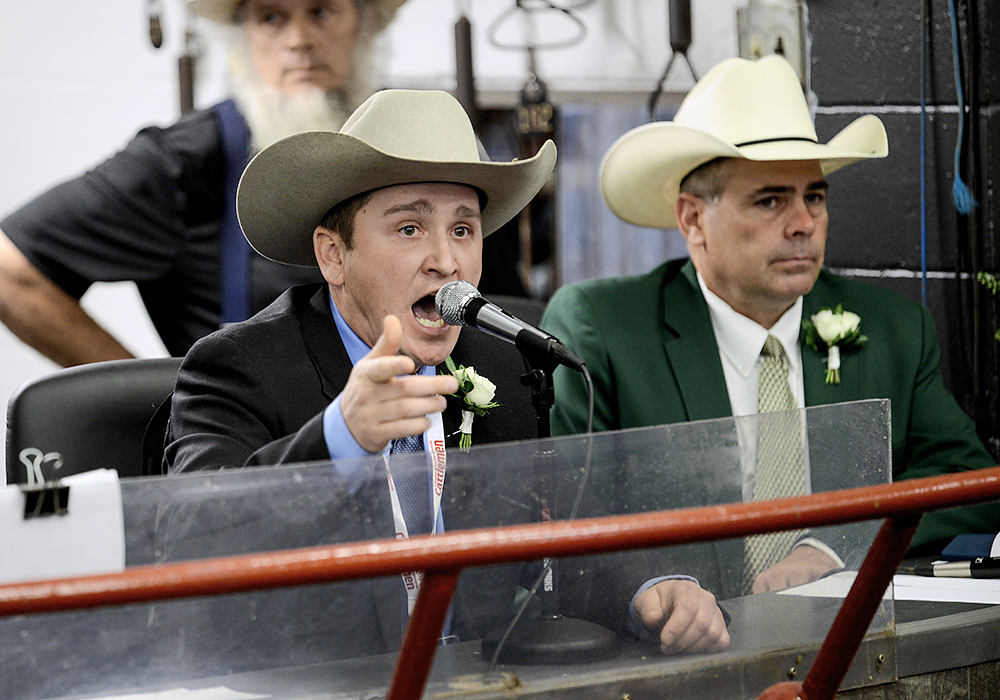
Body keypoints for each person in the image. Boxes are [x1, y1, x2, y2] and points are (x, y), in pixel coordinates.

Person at [157, 88, 730, 657]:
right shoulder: (236, 367)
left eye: (463, 229)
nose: (447, 261)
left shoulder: (501, 362)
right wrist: (342, 439)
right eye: (410, 229)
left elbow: (561, 536)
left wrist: (654, 588)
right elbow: (191, 545)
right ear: (333, 255)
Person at [541, 55, 1000, 595]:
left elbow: (969, 487)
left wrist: (833, 546)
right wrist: (654, 589)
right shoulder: (603, 330)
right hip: (670, 656)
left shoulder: (892, 329)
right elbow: (563, 514)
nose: (804, 223)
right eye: (770, 200)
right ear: (692, 220)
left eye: (815, 196)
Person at [0, 0, 406, 366]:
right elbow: (9, 271)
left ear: (363, 20)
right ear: (243, 35)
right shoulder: (187, 161)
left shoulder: (420, 147)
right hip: (251, 445)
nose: (299, 40)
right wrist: (158, 409)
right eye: (271, 17)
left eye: (320, 12)